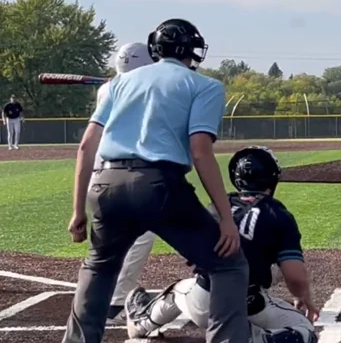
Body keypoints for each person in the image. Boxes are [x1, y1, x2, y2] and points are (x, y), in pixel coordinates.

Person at [62, 18, 249, 343]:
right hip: (159, 186)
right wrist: (225, 219)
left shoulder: (118, 84)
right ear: (192, 50)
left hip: (105, 185)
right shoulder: (205, 86)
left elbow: (86, 146)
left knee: (99, 267)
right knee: (228, 265)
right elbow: (201, 152)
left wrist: (78, 210)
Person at [124, 146, 319, 343]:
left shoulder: (217, 207)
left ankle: (142, 322)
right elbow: (295, 277)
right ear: (271, 178)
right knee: (305, 331)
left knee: (178, 290)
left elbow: (191, 254)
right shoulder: (279, 214)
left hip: (203, 300)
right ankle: (255, 339)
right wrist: (303, 296)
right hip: (250, 305)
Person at [90, 42, 158, 324]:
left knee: (109, 238)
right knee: (143, 234)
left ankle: (99, 297)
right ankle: (117, 302)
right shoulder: (145, 90)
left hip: (100, 173)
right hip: (128, 172)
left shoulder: (106, 89)